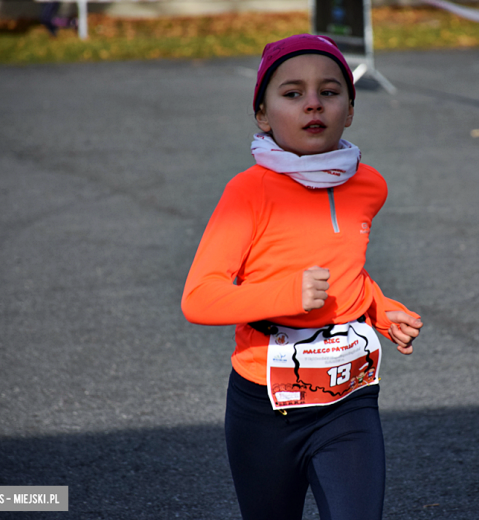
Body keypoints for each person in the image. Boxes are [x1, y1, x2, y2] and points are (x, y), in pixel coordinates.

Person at [181, 33, 423, 520]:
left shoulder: (369, 185)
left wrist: (380, 308)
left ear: (349, 110)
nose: (313, 103)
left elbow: (346, 268)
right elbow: (199, 297)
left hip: (349, 398)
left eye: (329, 92)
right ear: (264, 115)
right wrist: (286, 294)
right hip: (265, 405)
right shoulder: (248, 193)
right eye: (292, 93)